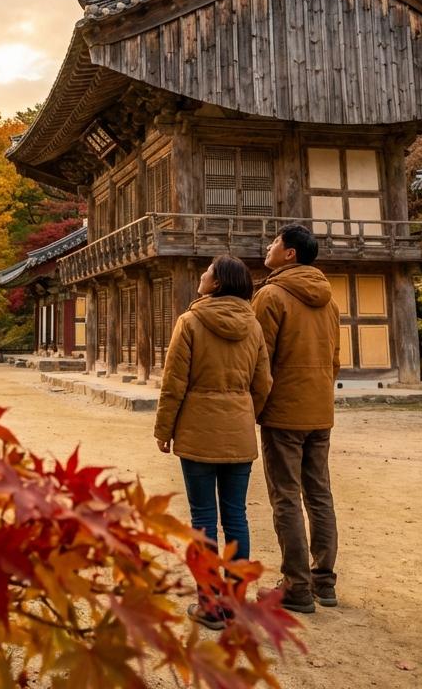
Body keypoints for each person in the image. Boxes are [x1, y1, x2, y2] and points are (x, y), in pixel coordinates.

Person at [154, 255, 272, 630]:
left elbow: (174, 382)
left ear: (217, 283)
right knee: (236, 516)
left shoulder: (190, 322)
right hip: (238, 432)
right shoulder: (253, 326)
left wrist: (164, 429)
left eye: (206, 272)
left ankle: (210, 604)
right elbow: (263, 383)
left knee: (203, 519)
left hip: (197, 432)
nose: (201, 275)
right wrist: (244, 413)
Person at [252, 223, 341, 614]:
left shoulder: (270, 295)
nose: (268, 246)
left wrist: (255, 406)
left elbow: (259, 362)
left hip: (284, 411)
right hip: (319, 409)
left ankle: (296, 585)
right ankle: (324, 581)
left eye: (274, 242)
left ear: (289, 254)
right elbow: (335, 360)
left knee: (285, 496)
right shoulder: (330, 300)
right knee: (319, 493)